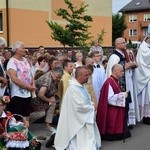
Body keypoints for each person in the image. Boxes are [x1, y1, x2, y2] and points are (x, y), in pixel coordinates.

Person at [54, 66, 101, 150]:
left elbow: (86, 99)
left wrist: (91, 104)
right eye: (86, 75)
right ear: (79, 76)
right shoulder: (72, 89)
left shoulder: (82, 86)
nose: (88, 77)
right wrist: (91, 107)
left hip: (84, 116)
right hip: (77, 119)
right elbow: (79, 107)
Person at [106, 37, 140, 127]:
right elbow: (114, 71)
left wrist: (132, 66)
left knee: (128, 99)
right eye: (123, 42)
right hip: (121, 83)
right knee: (123, 100)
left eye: (125, 42)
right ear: (117, 44)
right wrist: (126, 66)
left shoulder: (124, 54)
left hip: (128, 80)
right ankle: (123, 122)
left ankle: (128, 121)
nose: (125, 44)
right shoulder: (114, 57)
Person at [96, 64, 131, 141]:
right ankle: (112, 133)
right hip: (111, 109)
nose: (123, 73)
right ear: (115, 71)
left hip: (116, 108)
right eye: (121, 71)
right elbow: (110, 99)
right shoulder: (109, 82)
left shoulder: (114, 80)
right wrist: (123, 95)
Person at [7, 41, 35, 124]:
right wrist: (27, 86)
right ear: (16, 50)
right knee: (18, 116)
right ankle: (18, 134)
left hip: (27, 92)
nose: (24, 49)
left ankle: (25, 132)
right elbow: (14, 78)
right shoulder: (12, 62)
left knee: (26, 114)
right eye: (22, 48)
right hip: (17, 93)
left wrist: (32, 84)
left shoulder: (25, 60)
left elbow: (31, 73)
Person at [31, 67, 63, 131]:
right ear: (53, 72)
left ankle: (47, 125)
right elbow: (40, 95)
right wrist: (49, 100)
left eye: (59, 77)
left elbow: (54, 89)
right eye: (57, 76)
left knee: (53, 103)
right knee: (41, 113)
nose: (58, 78)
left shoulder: (55, 78)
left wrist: (52, 97)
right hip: (36, 98)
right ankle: (25, 121)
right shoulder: (46, 80)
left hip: (46, 96)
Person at [134, 32, 150, 124]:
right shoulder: (143, 47)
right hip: (146, 75)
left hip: (148, 73)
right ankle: (146, 117)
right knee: (146, 96)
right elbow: (145, 60)